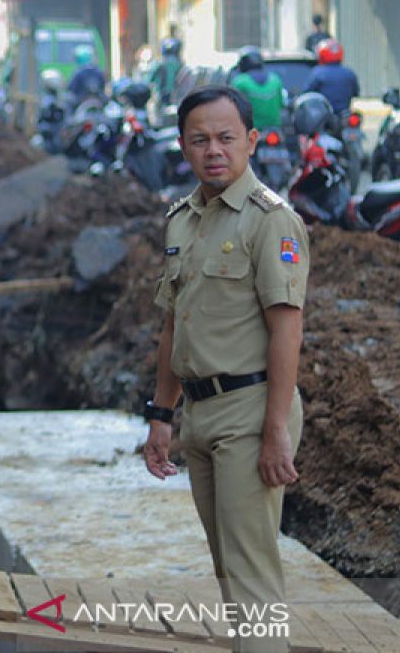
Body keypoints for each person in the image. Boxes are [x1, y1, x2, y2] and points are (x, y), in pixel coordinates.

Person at [143, 84, 307, 653]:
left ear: (252, 142)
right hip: (201, 413)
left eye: (226, 138)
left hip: (251, 410)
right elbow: (172, 327)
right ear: (184, 149)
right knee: (229, 575)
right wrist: (162, 416)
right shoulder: (182, 222)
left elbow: (288, 328)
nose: (213, 150)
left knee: (251, 578)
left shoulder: (270, 222)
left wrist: (276, 430)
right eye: (199, 140)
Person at [230, 47, 285, 131]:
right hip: (274, 129)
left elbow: (232, 107)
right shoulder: (275, 79)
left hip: (249, 129)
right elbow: (282, 104)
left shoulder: (239, 82)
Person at [303, 39, 359, 116]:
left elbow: (307, 93)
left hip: (324, 116)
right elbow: (356, 93)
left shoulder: (317, 72)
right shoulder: (349, 73)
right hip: (344, 115)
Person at [67, 44, 106, 109]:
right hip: (97, 103)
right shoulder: (98, 71)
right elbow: (103, 86)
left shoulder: (78, 72)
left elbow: (71, 88)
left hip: (81, 102)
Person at [149, 37, 184, 106]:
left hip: (162, 97)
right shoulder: (181, 65)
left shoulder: (158, 64)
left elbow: (149, 79)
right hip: (177, 98)